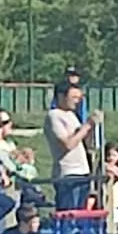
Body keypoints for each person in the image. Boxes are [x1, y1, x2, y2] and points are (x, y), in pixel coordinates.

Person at [44, 82, 93, 212]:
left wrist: (91, 129)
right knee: (69, 212)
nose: (77, 102)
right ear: (61, 96)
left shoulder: (72, 116)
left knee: (81, 211)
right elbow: (67, 144)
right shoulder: (54, 116)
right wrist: (86, 126)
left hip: (83, 171)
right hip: (68, 173)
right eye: (74, 97)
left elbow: (83, 142)